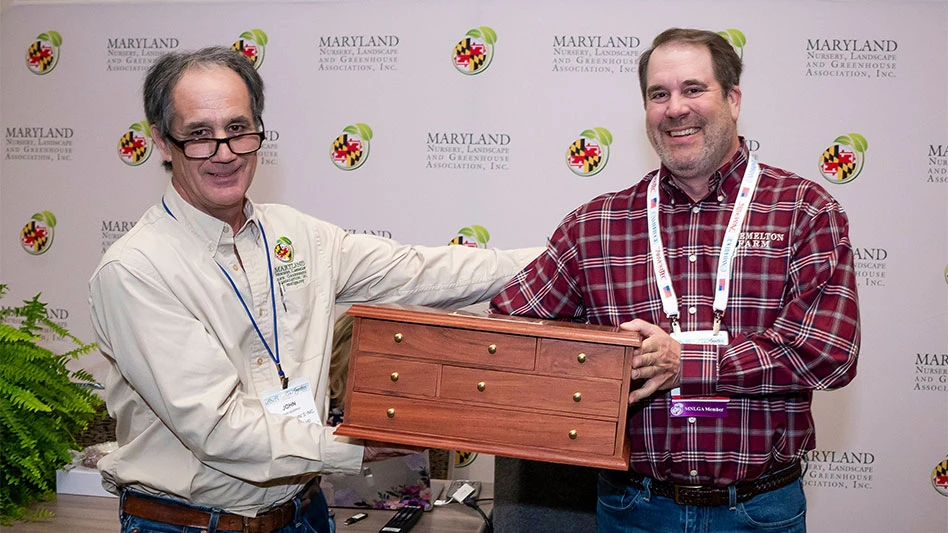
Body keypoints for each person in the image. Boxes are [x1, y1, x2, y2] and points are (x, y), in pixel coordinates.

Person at [88, 46, 540, 533]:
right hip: (189, 525)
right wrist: (354, 446)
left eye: (239, 129)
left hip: (305, 514)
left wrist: (568, 257)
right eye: (200, 134)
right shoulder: (136, 270)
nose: (224, 153)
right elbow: (217, 430)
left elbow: (422, 271)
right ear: (161, 141)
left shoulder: (298, 236)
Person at [489, 28, 860, 533]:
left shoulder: (804, 211)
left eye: (693, 89)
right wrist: (595, 363)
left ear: (732, 99)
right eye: (658, 94)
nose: (675, 108)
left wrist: (684, 361)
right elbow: (509, 330)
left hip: (757, 509)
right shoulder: (595, 224)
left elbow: (828, 352)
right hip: (632, 507)